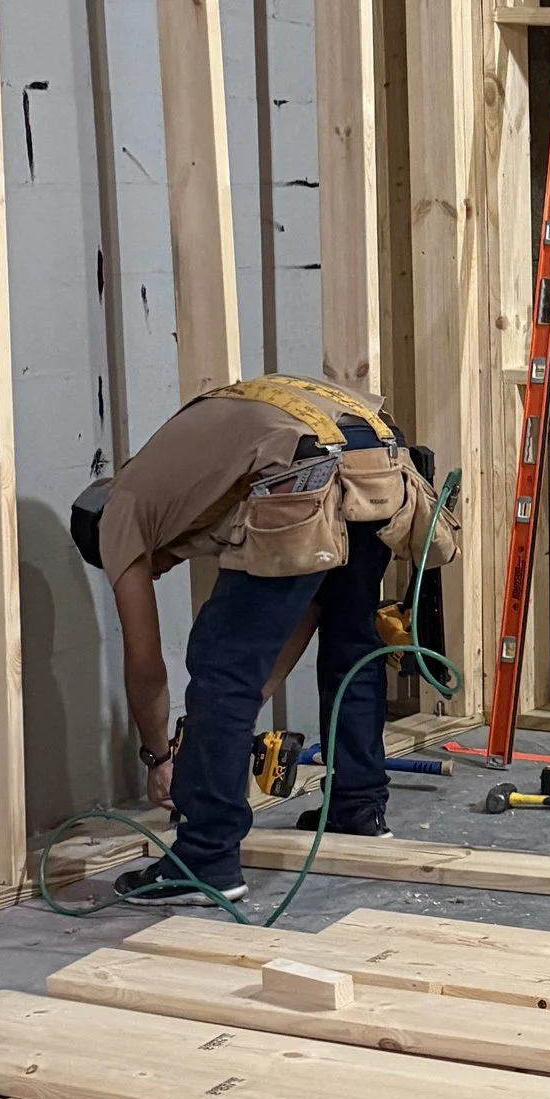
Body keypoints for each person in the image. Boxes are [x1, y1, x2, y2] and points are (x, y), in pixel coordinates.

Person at [69, 375, 446, 908]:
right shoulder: (186, 474)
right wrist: (241, 706)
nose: (154, 573)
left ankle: (204, 861)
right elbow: (304, 606)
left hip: (305, 468)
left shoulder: (119, 513)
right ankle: (356, 808)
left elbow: (146, 663)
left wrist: (159, 757)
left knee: (218, 665)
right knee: (350, 638)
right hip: (382, 462)